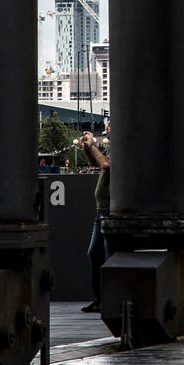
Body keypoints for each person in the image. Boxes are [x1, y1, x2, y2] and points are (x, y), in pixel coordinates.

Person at [80, 120, 109, 312]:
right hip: (101, 212)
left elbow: (106, 164)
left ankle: (108, 298)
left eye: (110, 125)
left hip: (108, 213)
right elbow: (94, 162)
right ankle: (100, 299)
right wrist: (87, 148)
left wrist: (92, 144)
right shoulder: (114, 147)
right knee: (95, 254)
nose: (106, 127)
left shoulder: (124, 146)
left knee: (108, 256)